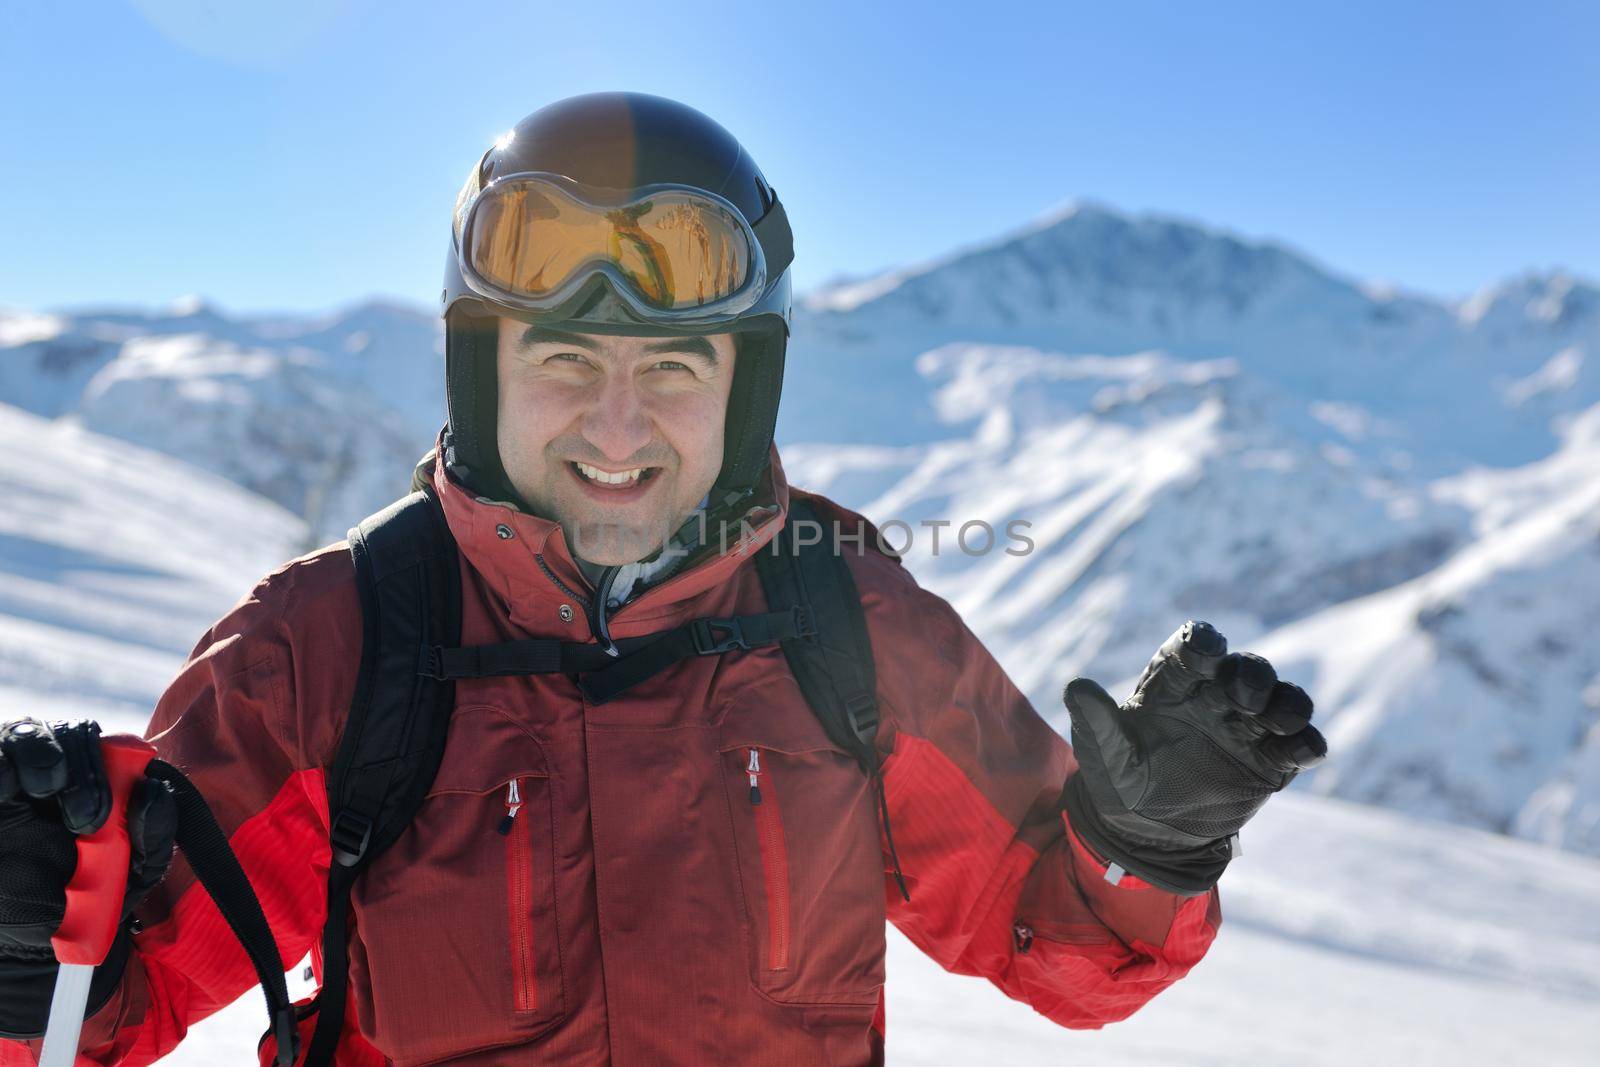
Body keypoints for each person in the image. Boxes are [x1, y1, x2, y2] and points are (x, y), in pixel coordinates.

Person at [0, 92, 1325, 1066]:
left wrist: (1147, 848)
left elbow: (1056, 950)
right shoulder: (334, 643)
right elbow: (87, 1030)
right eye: (566, 361)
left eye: (675, 369)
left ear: (744, 391)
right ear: (483, 371)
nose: (619, 429)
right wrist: (21, 941)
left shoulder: (838, 614)